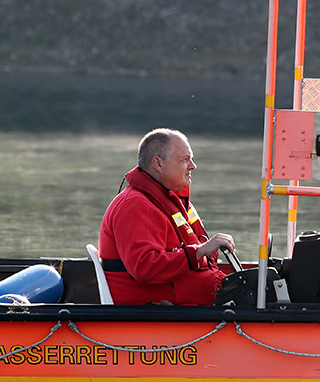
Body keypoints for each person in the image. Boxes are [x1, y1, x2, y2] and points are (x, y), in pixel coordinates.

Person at [97, 128, 236, 305]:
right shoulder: (135, 204)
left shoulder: (169, 198)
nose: (193, 166)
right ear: (158, 164)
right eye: (185, 160)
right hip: (156, 309)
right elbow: (144, 267)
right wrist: (200, 251)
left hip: (198, 295)